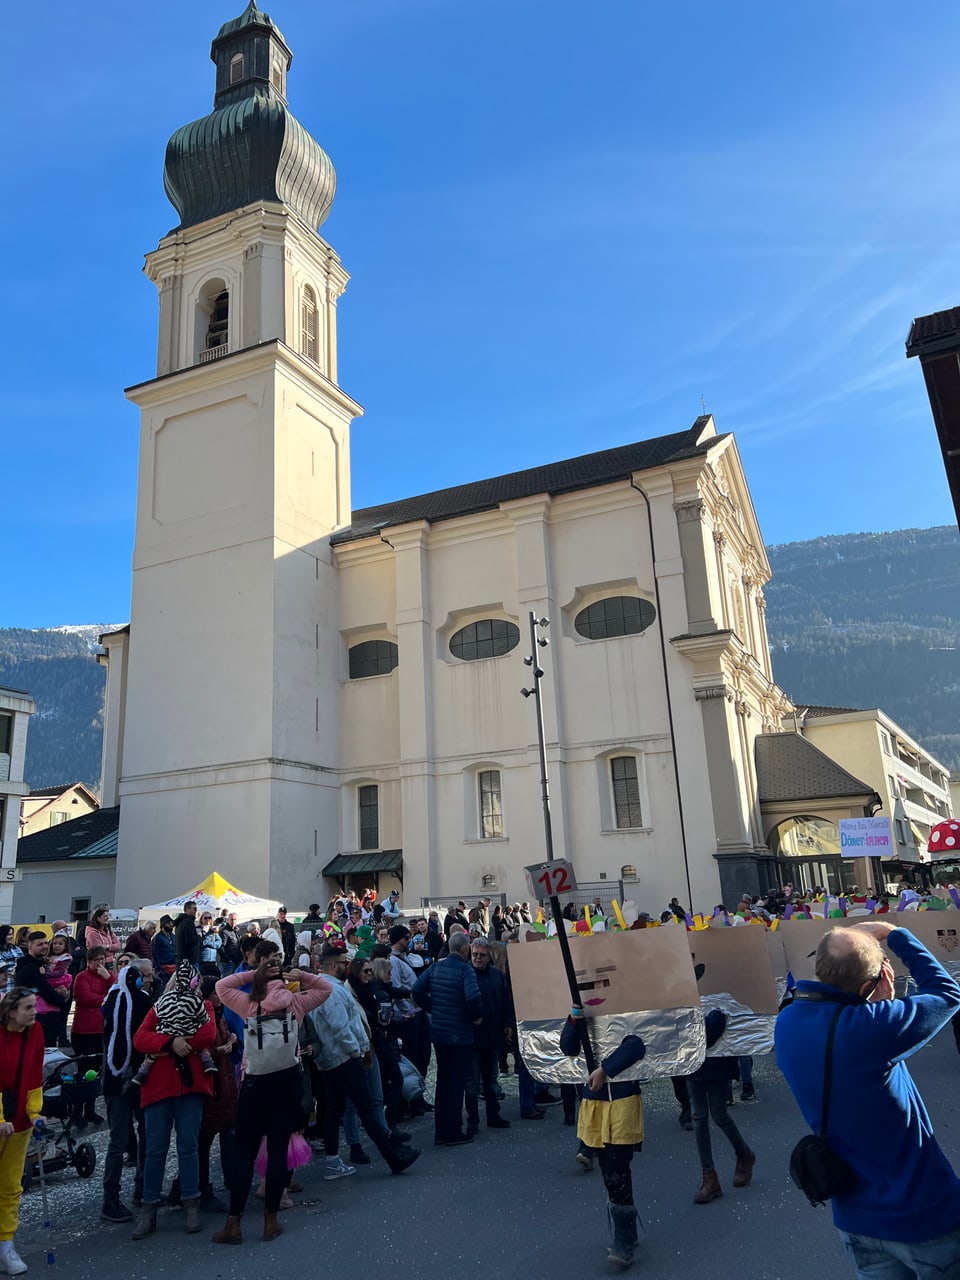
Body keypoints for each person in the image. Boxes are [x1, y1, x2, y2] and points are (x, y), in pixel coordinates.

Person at [777, 921, 960, 1278]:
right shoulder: (872, 1029)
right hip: (922, 1217)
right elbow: (947, 994)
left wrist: (870, 998)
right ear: (869, 984)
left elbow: (841, 1026)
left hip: (856, 1219)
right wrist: (895, 933)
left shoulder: (787, 1021)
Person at [213, 956, 330, 1243]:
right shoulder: (296, 1002)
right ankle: (271, 1220)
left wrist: (254, 973)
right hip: (287, 1081)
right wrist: (301, 975)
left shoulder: (251, 1005)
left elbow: (221, 986)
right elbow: (325, 989)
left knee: (245, 1152)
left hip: (255, 1084)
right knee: (279, 1150)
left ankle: (234, 1223)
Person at [307, 944, 419, 1180]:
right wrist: (356, 1050)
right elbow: (340, 1026)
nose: (347, 967)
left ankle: (333, 1160)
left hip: (333, 1058)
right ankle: (393, 1155)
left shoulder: (323, 988)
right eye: (344, 964)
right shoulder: (331, 991)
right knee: (366, 1107)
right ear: (335, 966)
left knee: (335, 1109)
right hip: (344, 1058)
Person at [131, 962, 218, 1240]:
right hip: (159, 1086)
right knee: (156, 1148)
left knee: (188, 1146)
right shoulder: (160, 1005)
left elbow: (208, 1034)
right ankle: (149, 1206)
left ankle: (190, 1201)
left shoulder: (204, 1005)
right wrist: (171, 1043)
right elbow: (141, 1038)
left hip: (189, 1085)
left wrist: (173, 1042)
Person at [561, 1007, 646, 1269]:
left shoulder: (626, 1010)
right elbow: (567, 1047)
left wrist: (605, 1070)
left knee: (617, 1168)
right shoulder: (583, 1014)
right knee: (611, 1170)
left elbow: (637, 1046)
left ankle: (622, 1238)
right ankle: (627, 1229)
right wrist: (574, 1021)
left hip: (622, 1101)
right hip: (594, 1103)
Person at [412, 931, 483, 1146]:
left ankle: (441, 1131)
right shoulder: (465, 970)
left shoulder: (435, 967)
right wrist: (476, 1016)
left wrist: (433, 1007)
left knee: (443, 1081)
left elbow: (416, 990)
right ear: (466, 949)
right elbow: (473, 998)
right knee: (457, 1083)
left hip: (440, 1031)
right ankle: (454, 1130)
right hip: (460, 1033)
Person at [100, 959, 155, 1224]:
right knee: (131, 1138)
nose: (149, 980)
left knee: (123, 1139)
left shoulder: (110, 999)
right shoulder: (141, 1002)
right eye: (144, 976)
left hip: (113, 1078)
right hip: (135, 1078)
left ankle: (123, 1194)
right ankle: (125, 1194)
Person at [687, 1011, 755, 1204]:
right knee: (698, 1117)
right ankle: (709, 1176)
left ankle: (744, 1153)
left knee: (719, 1114)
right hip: (692, 1065)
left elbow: (711, 1032)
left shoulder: (717, 1000)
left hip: (717, 1064)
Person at [0, 987, 45, 1276]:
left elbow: (34, 1072)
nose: (34, 1012)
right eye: (28, 1007)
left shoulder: (36, 1031)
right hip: (3, 1118)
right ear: (11, 1011)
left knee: (10, 1187)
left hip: (19, 1122)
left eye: (34, 1006)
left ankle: (5, 1245)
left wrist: (35, 1112)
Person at [465, 937, 511, 1134]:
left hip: (493, 1033)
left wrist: (508, 1023)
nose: (477, 958)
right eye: (474, 954)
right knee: (473, 1081)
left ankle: (493, 1115)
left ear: (489, 956)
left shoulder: (496, 975)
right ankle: (472, 1120)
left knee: (491, 1078)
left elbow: (506, 1000)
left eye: (481, 955)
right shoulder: (466, 973)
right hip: (474, 1036)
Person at [174, 901, 200, 967]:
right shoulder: (188, 922)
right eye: (194, 909)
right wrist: (199, 936)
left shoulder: (180, 922)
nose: (196, 911)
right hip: (190, 960)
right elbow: (190, 940)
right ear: (188, 909)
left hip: (182, 960)